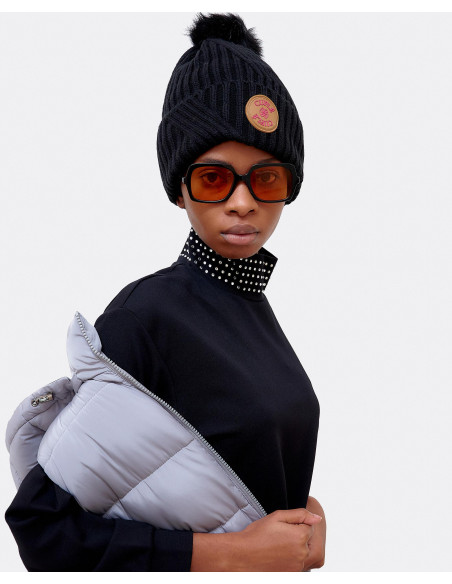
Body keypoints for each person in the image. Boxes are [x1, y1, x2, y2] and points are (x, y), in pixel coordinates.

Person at [5, 13, 325, 571]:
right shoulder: (143, 318)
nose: (243, 202)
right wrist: (236, 554)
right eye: (214, 178)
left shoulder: (252, 307)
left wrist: (305, 519)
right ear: (179, 189)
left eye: (267, 178)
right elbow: (42, 530)